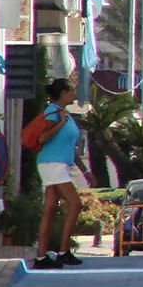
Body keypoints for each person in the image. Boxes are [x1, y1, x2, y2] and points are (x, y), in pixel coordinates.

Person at [31, 78, 92, 269]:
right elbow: (43, 137)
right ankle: (64, 251)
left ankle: (41, 256)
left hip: (59, 164)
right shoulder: (53, 112)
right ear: (63, 93)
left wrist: (85, 171)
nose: (74, 93)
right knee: (75, 204)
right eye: (71, 90)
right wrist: (61, 123)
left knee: (50, 209)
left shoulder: (65, 114)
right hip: (53, 163)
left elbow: (69, 147)